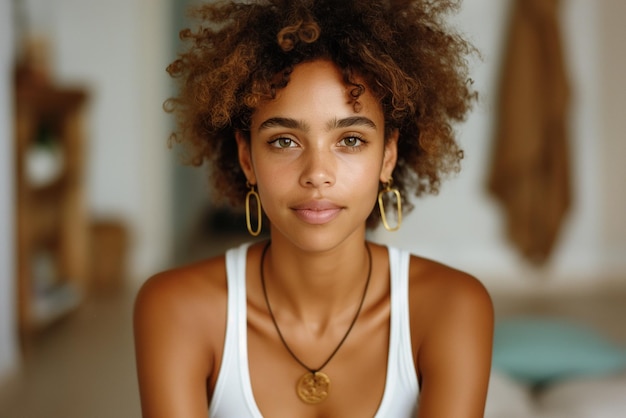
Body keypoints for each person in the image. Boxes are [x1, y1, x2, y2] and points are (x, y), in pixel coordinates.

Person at [133, 0, 494, 417]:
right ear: (247, 158)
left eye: (351, 140)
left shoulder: (453, 307)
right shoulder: (175, 308)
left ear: (389, 155)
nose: (317, 174)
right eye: (284, 140)